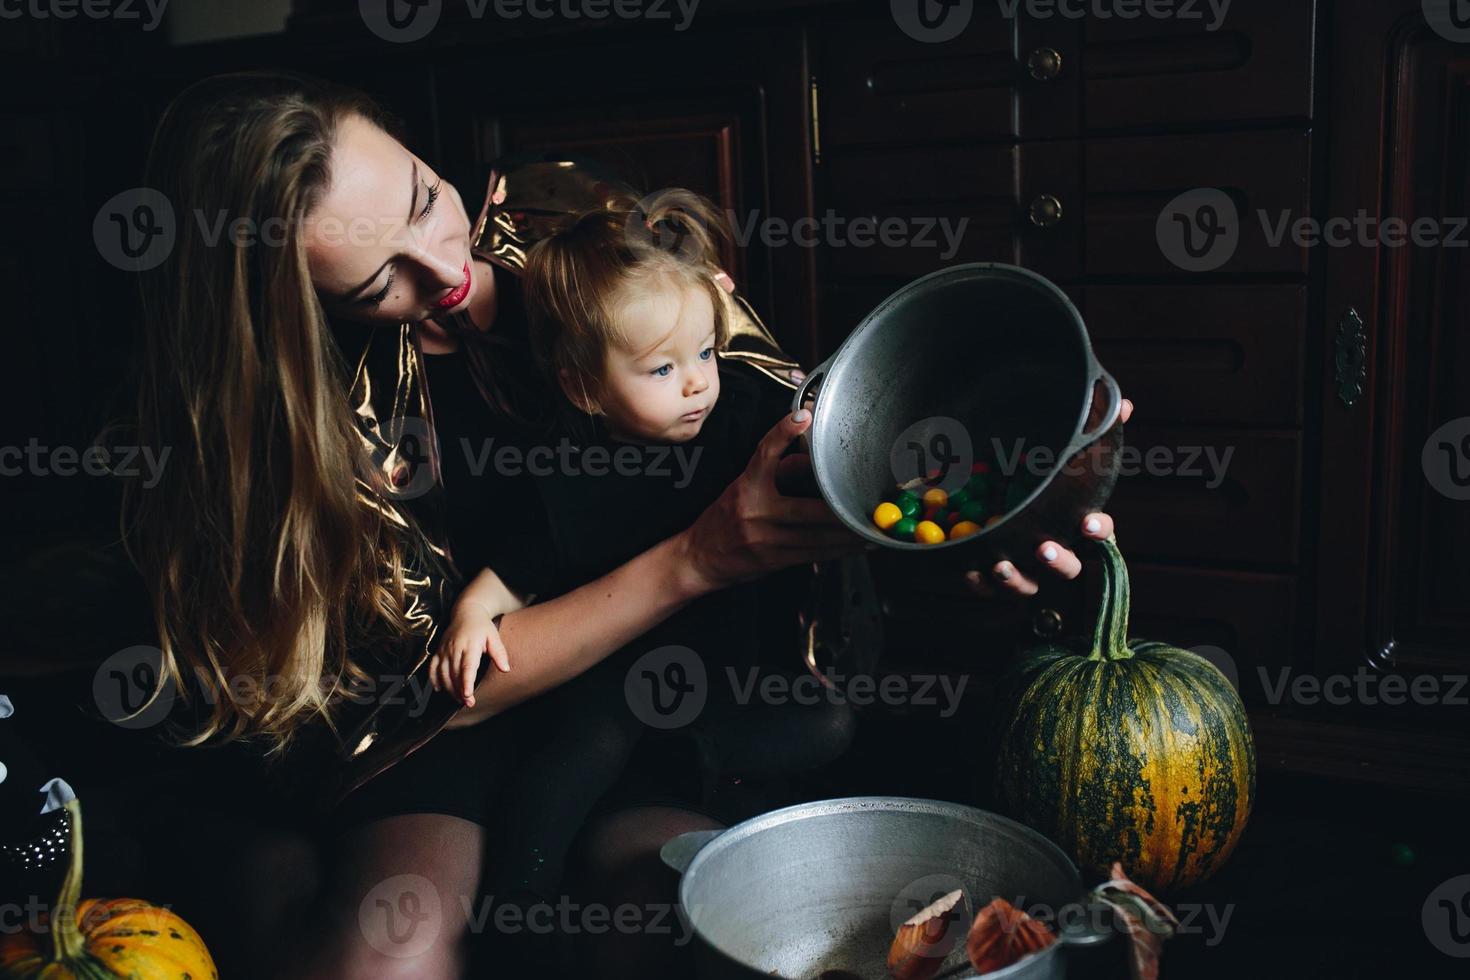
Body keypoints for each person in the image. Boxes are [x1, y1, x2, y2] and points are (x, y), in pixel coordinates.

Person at [81, 70, 1130, 979]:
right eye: (373, 283)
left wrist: (970, 537)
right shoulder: (307, 429)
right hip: (448, 726)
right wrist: (695, 558)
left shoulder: (585, 242)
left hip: (659, 696)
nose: (440, 268)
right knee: (385, 956)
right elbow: (444, 690)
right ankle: (237, 846)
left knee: (668, 927)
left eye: (425, 199)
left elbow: (787, 442)